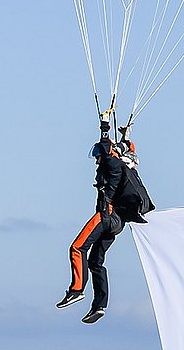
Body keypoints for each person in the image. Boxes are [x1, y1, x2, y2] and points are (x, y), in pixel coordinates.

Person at [56, 121, 146, 324]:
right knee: (96, 262)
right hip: (118, 223)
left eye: (97, 157)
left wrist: (105, 130)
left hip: (105, 216)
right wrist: (125, 136)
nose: (97, 161)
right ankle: (99, 306)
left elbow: (108, 154)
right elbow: (123, 150)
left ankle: (76, 289)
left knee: (77, 248)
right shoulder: (128, 170)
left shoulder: (115, 166)